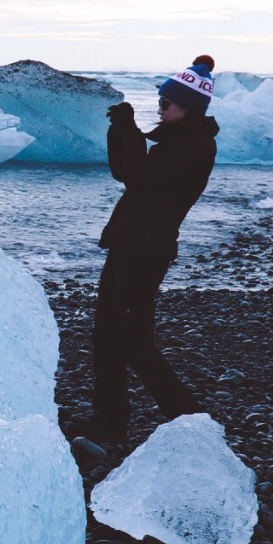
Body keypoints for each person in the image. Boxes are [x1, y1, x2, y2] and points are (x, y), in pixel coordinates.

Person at [66, 55, 220, 449]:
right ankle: (109, 420)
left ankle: (192, 423)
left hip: (145, 254)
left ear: (189, 108)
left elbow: (138, 178)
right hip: (127, 247)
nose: (161, 108)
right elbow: (126, 172)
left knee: (134, 342)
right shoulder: (179, 140)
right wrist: (123, 128)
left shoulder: (196, 147)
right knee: (106, 336)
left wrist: (129, 129)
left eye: (167, 104)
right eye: (162, 102)